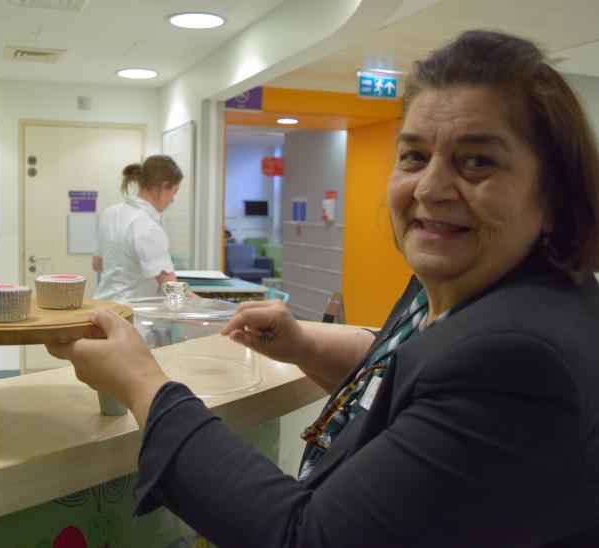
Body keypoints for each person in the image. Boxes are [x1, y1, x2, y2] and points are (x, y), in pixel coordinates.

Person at [48, 30, 599, 546]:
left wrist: (143, 382)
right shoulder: (468, 289)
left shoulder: (518, 359)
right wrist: (304, 344)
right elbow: (416, 369)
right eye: (413, 156)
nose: (430, 187)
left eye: (477, 162)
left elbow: (305, 536)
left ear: (554, 193)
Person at [92, 155, 182, 301]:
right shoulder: (148, 227)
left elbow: (97, 264)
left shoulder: (110, 213)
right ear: (164, 187)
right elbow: (171, 290)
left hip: (103, 305)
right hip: (129, 310)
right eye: (174, 192)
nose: (172, 200)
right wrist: (206, 305)